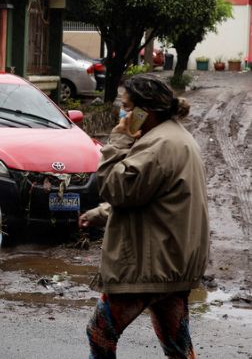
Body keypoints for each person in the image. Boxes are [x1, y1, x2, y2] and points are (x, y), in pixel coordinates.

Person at [80, 73, 209, 359]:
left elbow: (115, 187)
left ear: (144, 111)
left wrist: (118, 140)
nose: (123, 113)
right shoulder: (172, 137)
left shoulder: (158, 144)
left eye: (126, 107)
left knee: (99, 334)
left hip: (149, 263)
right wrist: (101, 213)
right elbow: (150, 197)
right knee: (176, 345)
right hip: (169, 260)